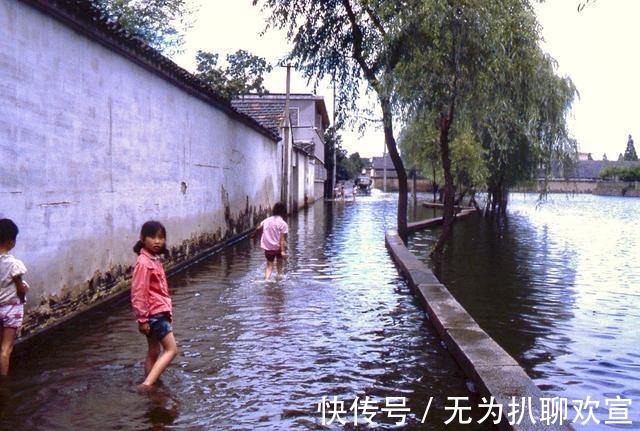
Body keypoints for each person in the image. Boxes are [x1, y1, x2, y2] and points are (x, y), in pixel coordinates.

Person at [131, 220, 178, 389]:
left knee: (154, 351)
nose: (157, 241)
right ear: (143, 239)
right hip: (154, 314)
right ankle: (148, 384)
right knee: (172, 350)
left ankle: (152, 383)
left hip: (156, 313)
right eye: (152, 237)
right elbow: (138, 292)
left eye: (161, 237)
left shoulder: (153, 260)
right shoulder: (144, 263)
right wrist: (142, 319)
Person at [0, 219, 29, 376]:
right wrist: (23, 294)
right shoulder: (14, 264)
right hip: (11, 309)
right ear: (11, 241)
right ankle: (3, 385)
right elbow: (20, 288)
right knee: (6, 349)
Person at [255, 203, 289, 280]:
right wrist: (283, 251)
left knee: (269, 265)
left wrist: (255, 234)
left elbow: (258, 228)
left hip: (268, 247)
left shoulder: (266, 220)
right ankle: (280, 278)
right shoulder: (283, 224)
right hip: (278, 248)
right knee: (279, 264)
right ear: (283, 212)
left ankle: (266, 280)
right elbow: (282, 239)